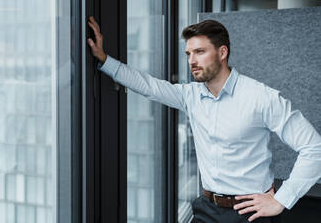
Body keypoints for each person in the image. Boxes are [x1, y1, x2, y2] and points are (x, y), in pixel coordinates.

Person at [87, 16, 321, 223]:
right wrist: (104, 59)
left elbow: (314, 147)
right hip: (207, 209)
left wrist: (282, 199)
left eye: (200, 52)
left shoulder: (261, 97)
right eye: (188, 53)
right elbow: (150, 87)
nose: (191, 61)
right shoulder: (191, 96)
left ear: (222, 52)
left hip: (251, 213)